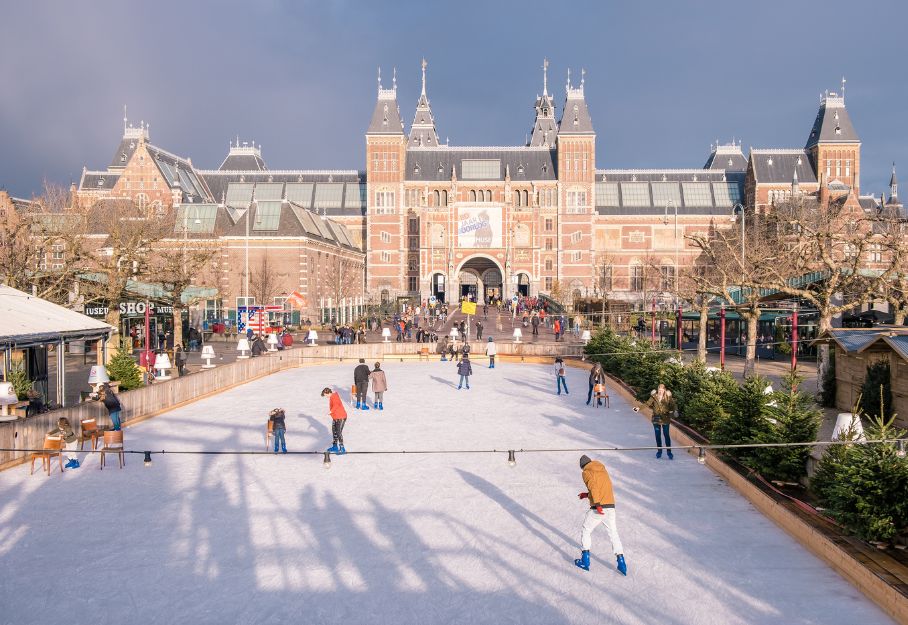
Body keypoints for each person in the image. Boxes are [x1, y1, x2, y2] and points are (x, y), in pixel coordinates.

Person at [574, 455, 627, 575]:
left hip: (599, 508)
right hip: (610, 506)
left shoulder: (586, 472)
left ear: (583, 466)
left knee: (586, 530)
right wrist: (586, 495)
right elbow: (600, 489)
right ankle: (621, 562)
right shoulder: (602, 470)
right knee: (613, 533)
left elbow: (593, 486)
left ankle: (585, 561)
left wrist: (597, 504)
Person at [643, 384, 676, 459]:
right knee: (658, 436)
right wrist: (638, 408)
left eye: (662, 390)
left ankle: (669, 452)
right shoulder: (654, 397)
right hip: (656, 419)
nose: (660, 391)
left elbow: (673, 405)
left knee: (666, 435)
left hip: (665, 419)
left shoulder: (668, 397)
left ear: (664, 390)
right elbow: (647, 403)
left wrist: (674, 412)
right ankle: (659, 452)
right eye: (659, 390)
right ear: (658, 390)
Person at [322, 387, 348, 454]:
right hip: (336, 417)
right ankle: (335, 446)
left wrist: (331, 411)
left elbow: (336, 405)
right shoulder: (332, 397)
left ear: (328, 393)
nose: (326, 397)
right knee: (334, 432)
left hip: (341, 417)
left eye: (326, 395)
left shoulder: (334, 396)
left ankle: (342, 448)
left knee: (338, 432)